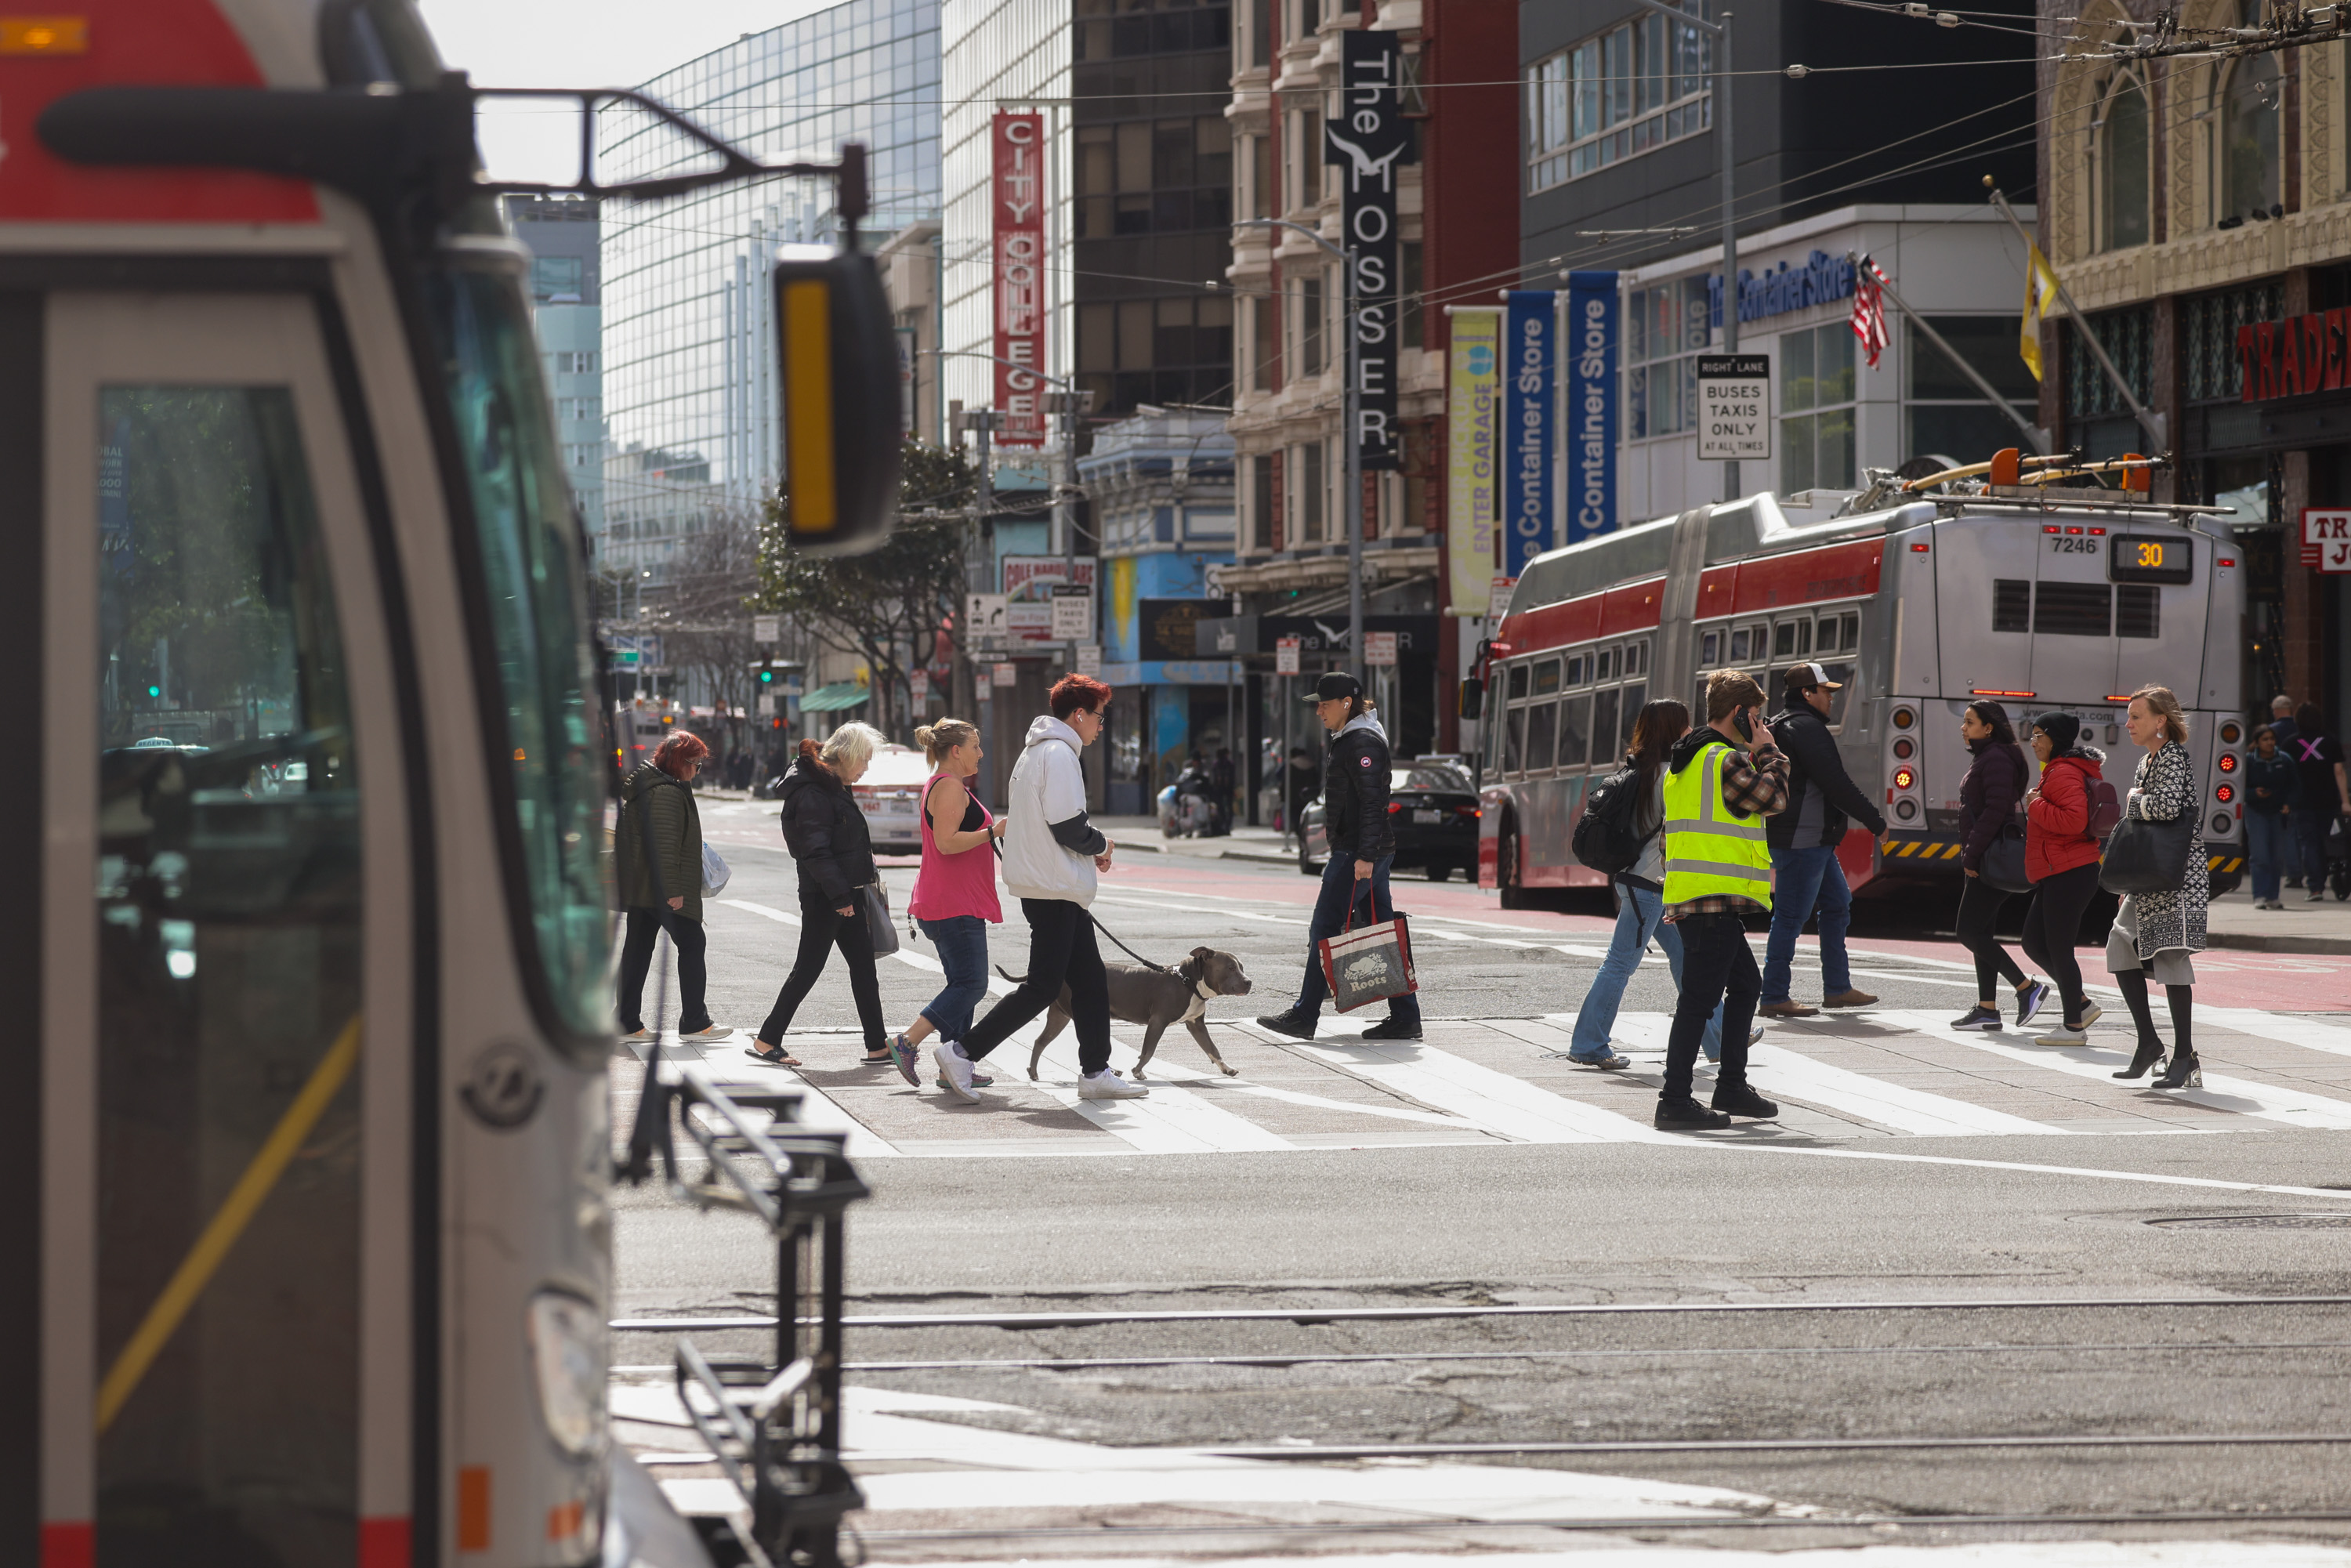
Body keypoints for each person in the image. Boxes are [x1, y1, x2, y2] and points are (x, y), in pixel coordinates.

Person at [933, 675, 1148, 1103]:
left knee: (1089, 983)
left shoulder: (1035, 753)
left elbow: (1058, 822)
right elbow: (1068, 825)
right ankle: (961, 1051)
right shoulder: (1059, 754)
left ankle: (1095, 1070)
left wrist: (1093, 846)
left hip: (1049, 884)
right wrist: (1103, 845)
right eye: (1100, 716)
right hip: (1054, 885)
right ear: (1080, 714)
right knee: (1044, 987)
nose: (1101, 725)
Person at [1256, 672, 1425, 1042]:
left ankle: (1304, 1016)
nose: (1319, 711)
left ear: (1347, 703)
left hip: (1358, 854)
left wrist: (1364, 856)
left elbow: (1372, 804)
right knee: (1381, 928)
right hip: (1367, 852)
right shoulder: (1354, 737)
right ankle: (1406, 1017)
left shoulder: (1361, 741)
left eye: (1325, 704)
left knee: (1324, 930)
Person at [1654, 670, 1789, 1131]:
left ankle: (1731, 1083)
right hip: (1711, 899)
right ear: (1740, 714)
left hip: (1701, 898)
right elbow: (1773, 799)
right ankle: (1674, 1099)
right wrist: (1768, 752)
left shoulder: (1685, 763)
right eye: (1756, 717)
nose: (1760, 723)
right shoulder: (1723, 760)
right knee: (1698, 1000)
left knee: (1746, 984)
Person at [1564, 698, 1731, 1070]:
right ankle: (1589, 1043)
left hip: (1634, 880)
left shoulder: (1637, 769)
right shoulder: (1672, 775)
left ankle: (1720, 1037)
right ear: (1676, 729)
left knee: (1685, 958)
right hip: (1652, 885)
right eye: (1686, 725)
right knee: (1620, 963)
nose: (1691, 730)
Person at [750, 722, 890, 1067]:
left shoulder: (831, 786)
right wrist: (840, 897)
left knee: (863, 968)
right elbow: (814, 851)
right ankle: (767, 1040)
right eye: (865, 761)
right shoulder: (813, 792)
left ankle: (878, 1046)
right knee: (809, 967)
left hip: (847, 893)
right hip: (827, 896)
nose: (866, 769)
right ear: (847, 756)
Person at [1757, 662, 1886, 1019]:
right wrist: (1875, 821)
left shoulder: (1784, 725)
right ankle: (1774, 994)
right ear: (1807, 694)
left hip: (1811, 838)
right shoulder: (1806, 728)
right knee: (1790, 917)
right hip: (1804, 838)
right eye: (1826, 692)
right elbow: (1836, 783)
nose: (1831, 699)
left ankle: (1838, 988)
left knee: (1837, 904)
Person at [887, 719, 1007, 1087]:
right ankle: (907, 1041)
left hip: (950, 899)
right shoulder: (950, 787)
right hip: (953, 903)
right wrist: (993, 831)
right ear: (956, 751)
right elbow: (947, 843)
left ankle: (951, 1065)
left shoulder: (943, 784)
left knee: (961, 984)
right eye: (975, 746)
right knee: (971, 985)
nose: (980, 753)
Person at [2106, 686, 2210, 1088]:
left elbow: (2166, 809)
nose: (2128, 724)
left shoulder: (2174, 759)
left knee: (2169, 956)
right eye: (2130, 716)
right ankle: (2149, 1044)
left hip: (2178, 876)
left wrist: (2133, 799)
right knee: (2120, 943)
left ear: (2160, 721)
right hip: (2151, 875)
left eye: (2136, 717)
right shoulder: (2148, 760)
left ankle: (2184, 1055)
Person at [614, 730, 731, 1045]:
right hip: (660, 890)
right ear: (679, 762)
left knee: (637, 952)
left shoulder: (651, 787)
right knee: (693, 943)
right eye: (695, 763)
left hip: (644, 888)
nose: (697, 770)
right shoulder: (665, 793)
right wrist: (673, 891)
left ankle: (625, 1022)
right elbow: (664, 848)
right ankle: (695, 1021)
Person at [1947, 701, 2052, 1031]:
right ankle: (1987, 1009)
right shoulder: (1990, 756)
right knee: (1982, 932)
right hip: (1986, 853)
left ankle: (2026, 988)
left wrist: (1972, 855)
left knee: (1967, 931)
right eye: (1964, 722)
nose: (1963, 728)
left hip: (1989, 856)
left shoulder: (1995, 759)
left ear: (1988, 727)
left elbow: (1995, 811)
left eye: (1969, 722)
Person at [2018, 712, 2108, 1046]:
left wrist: (2036, 804)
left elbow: (2074, 820)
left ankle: (2073, 1027)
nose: (2034, 741)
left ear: (2054, 738)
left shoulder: (2063, 772)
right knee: (2034, 942)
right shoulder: (2057, 770)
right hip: (2060, 870)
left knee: (2058, 948)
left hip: (2071, 871)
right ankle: (2080, 1005)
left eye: (2039, 734)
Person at [2289, 702, 2346, 901]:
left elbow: (2287, 775)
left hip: (2302, 802)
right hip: (2328, 801)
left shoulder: (2290, 743)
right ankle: (2328, 876)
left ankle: (2315, 887)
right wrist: (2345, 801)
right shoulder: (2331, 741)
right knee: (2326, 841)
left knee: (2308, 844)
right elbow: (2339, 772)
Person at [2244, 723, 2301, 911]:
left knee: (2276, 857)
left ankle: (2272, 897)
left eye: (2272, 739)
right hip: (2256, 811)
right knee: (2260, 855)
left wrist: (2288, 804)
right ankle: (2259, 895)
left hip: (2277, 812)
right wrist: (2254, 793)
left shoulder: (2284, 760)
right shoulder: (2249, 761)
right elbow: (2238, 788)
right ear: (2257, 742)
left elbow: (2294, 786)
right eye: (2265, 739)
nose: (2269, 743)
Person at [2271, 699, 2302, 888]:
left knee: (2288, 832)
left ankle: (2294, 873)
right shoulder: (2300, 729)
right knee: (2301, 833)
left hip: (2281, 787)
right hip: (2303, 786)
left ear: (2276, 711)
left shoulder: (2272, 730)